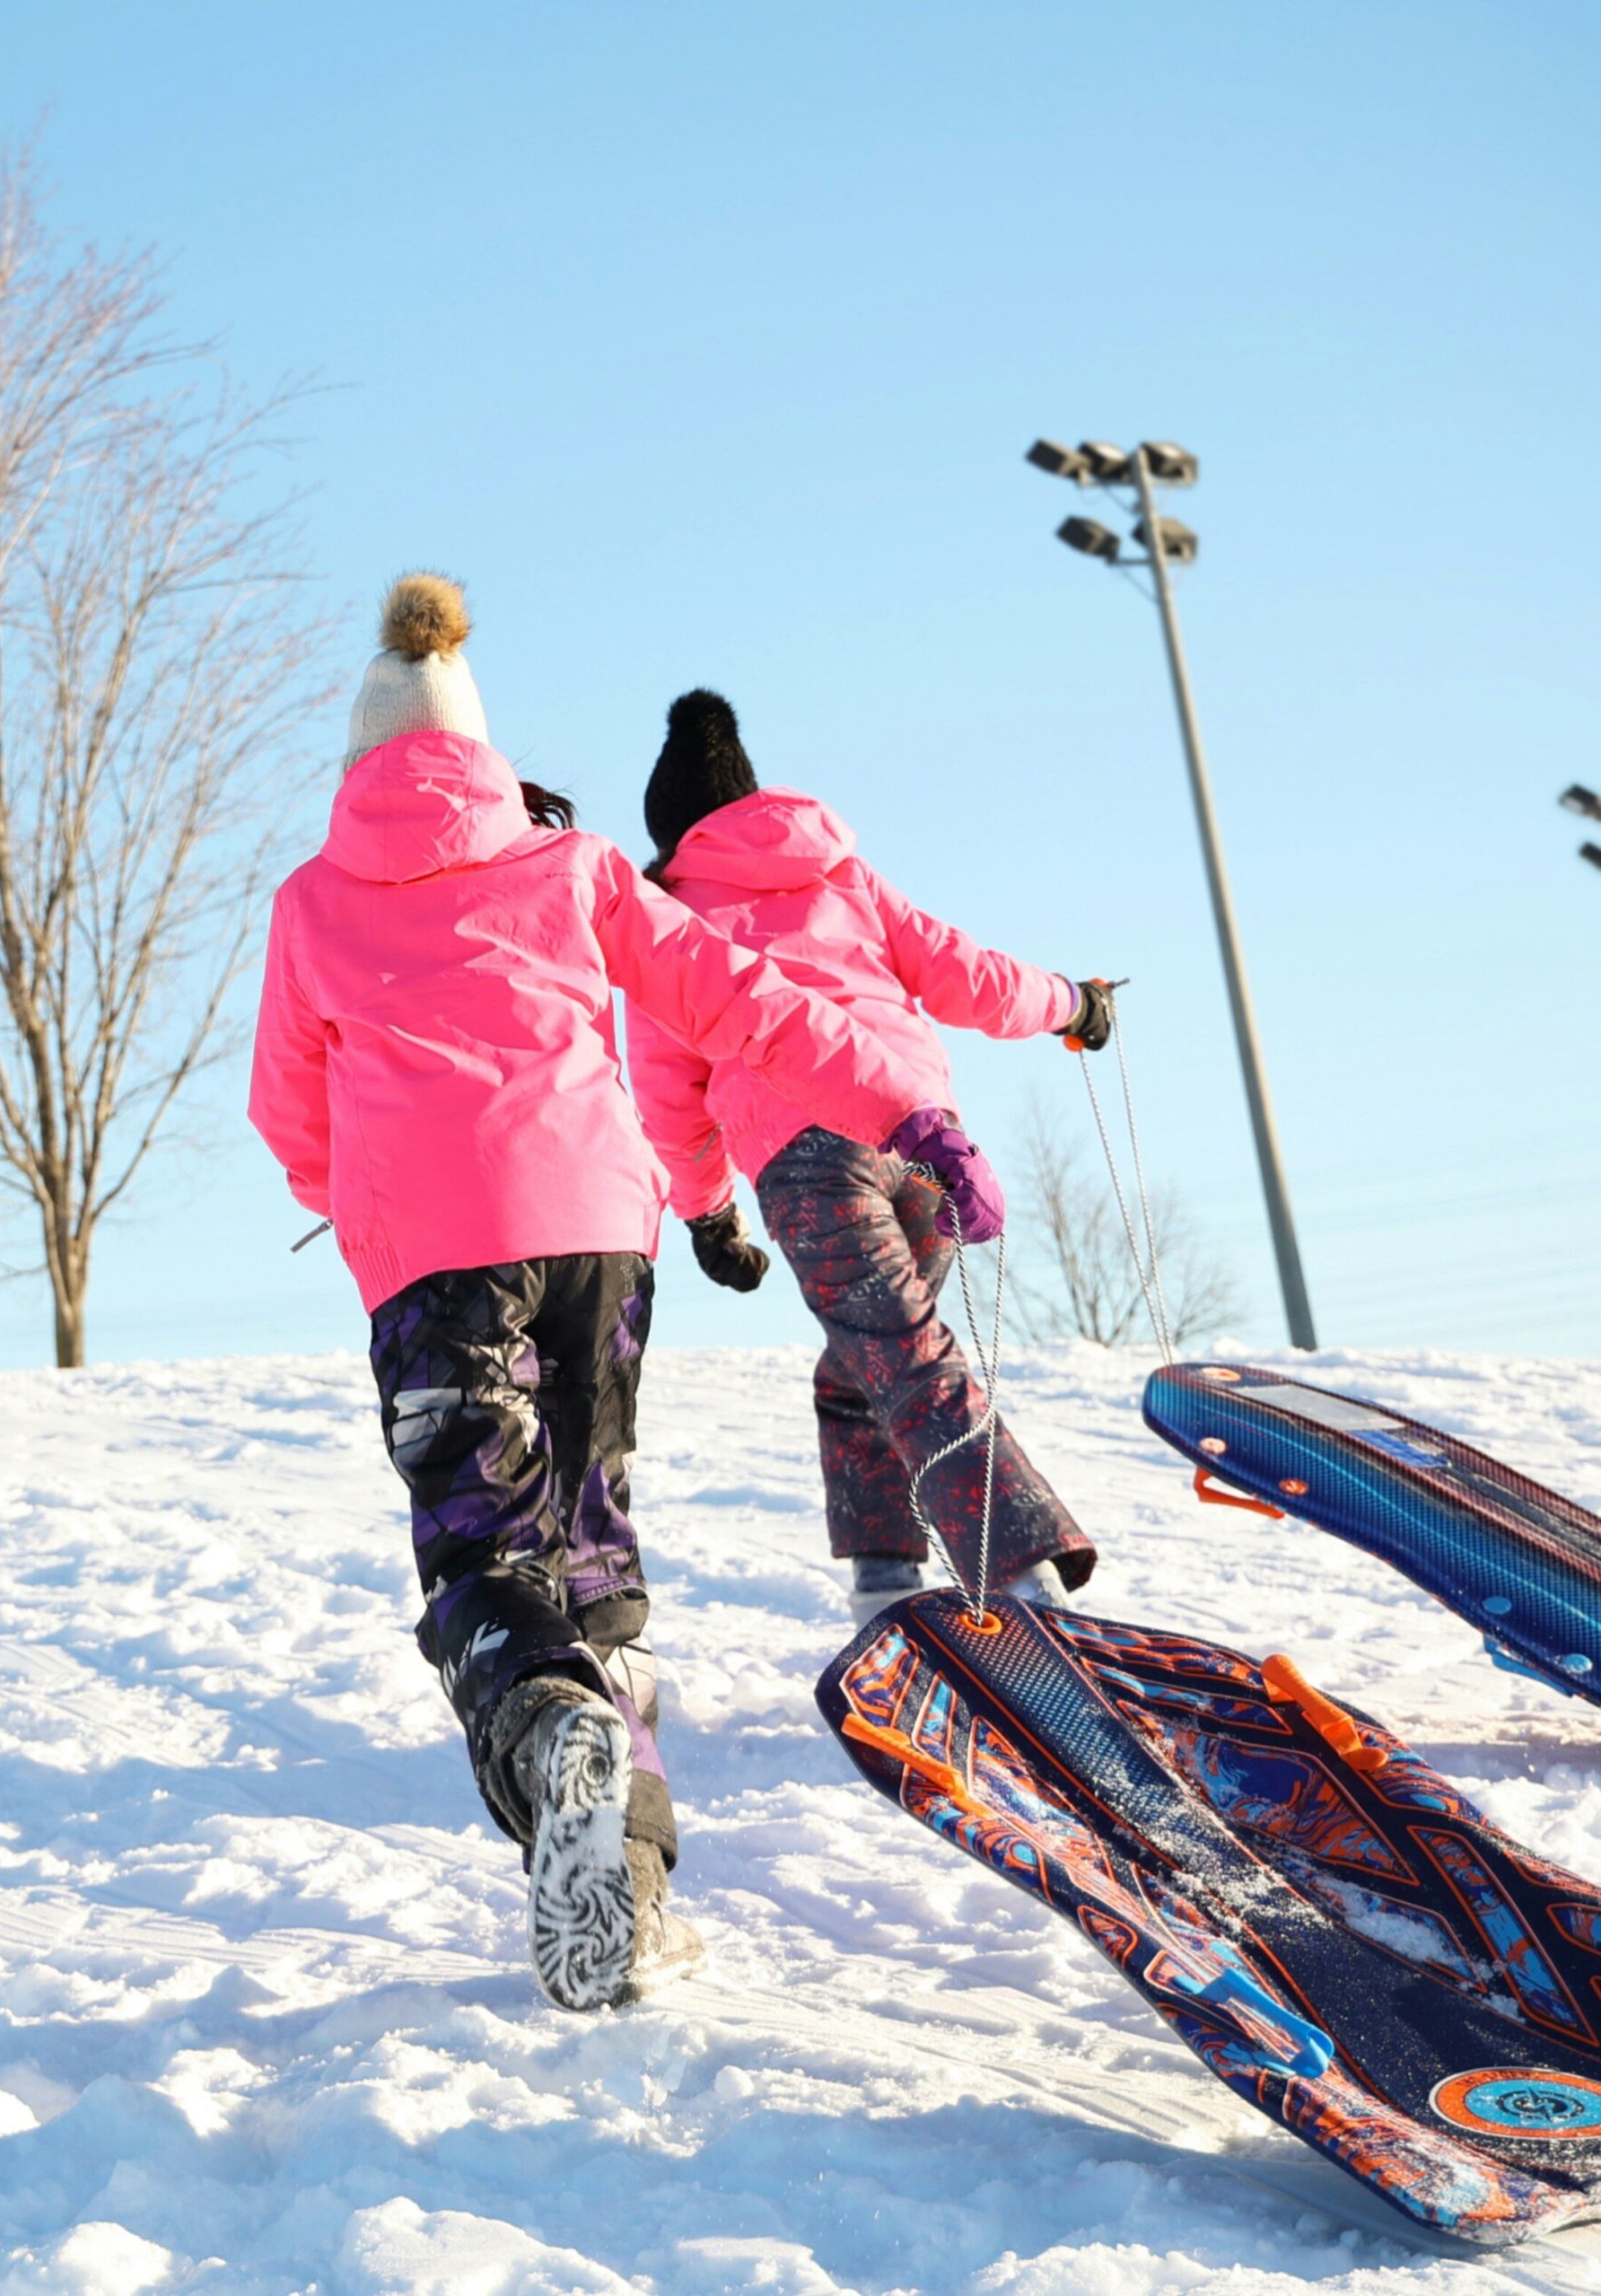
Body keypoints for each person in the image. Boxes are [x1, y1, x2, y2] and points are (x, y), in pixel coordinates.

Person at [248, 579, 975, 2013]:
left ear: (360, 767)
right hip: (597, 1239)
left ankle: (551, 1732)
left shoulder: (314, 899)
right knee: (590, 1557)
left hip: (436, 1262)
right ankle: (628, 1889)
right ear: (481, 751)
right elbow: (741, 998)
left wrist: (357, 1207)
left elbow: (290, 1115)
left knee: (489, 1561)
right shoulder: (573, 867)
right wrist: (908, 1105)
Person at [625, 688, 1114, 1624]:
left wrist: (707, 1214)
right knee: (864, 1363)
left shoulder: (673, 921)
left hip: (808, 1160)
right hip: (918, 1142)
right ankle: (886, 1573)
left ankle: (1026, 1576)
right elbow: (968, 974)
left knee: (900, 1358)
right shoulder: (843, 875)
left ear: (672, 833)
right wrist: (1073, 1002)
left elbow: (666, 1089)